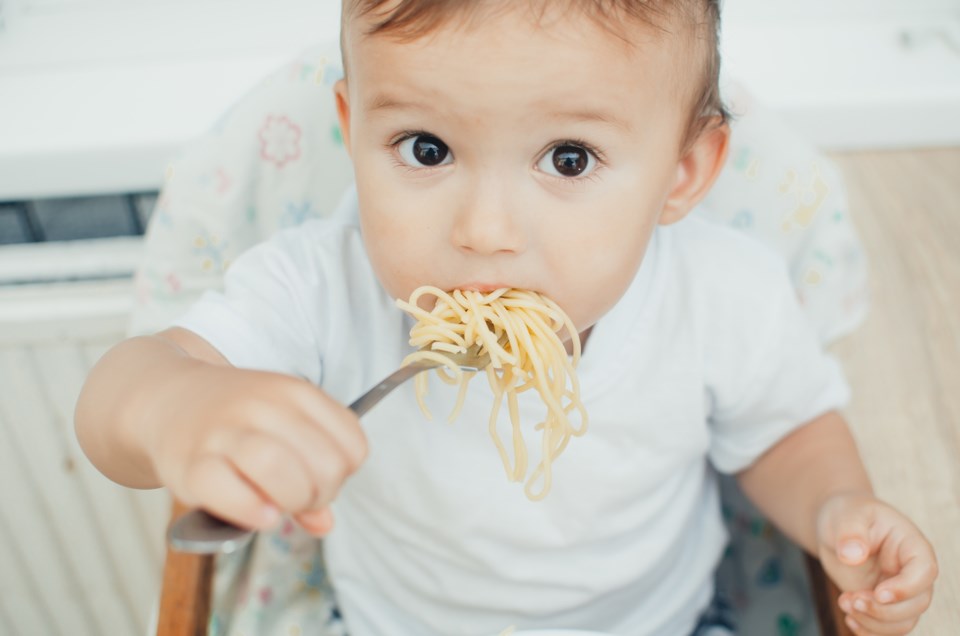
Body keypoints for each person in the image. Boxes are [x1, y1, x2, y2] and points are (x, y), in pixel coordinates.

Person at [75, 0, 938, 634]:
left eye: (569, 159)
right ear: (351, 130)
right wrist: (177, 408)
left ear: (681, 173)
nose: (484, 232)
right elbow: (123, 396)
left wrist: (838, 510)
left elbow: (788, 433)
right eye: (426, 149)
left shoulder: (723, 294)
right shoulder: (320, 283)